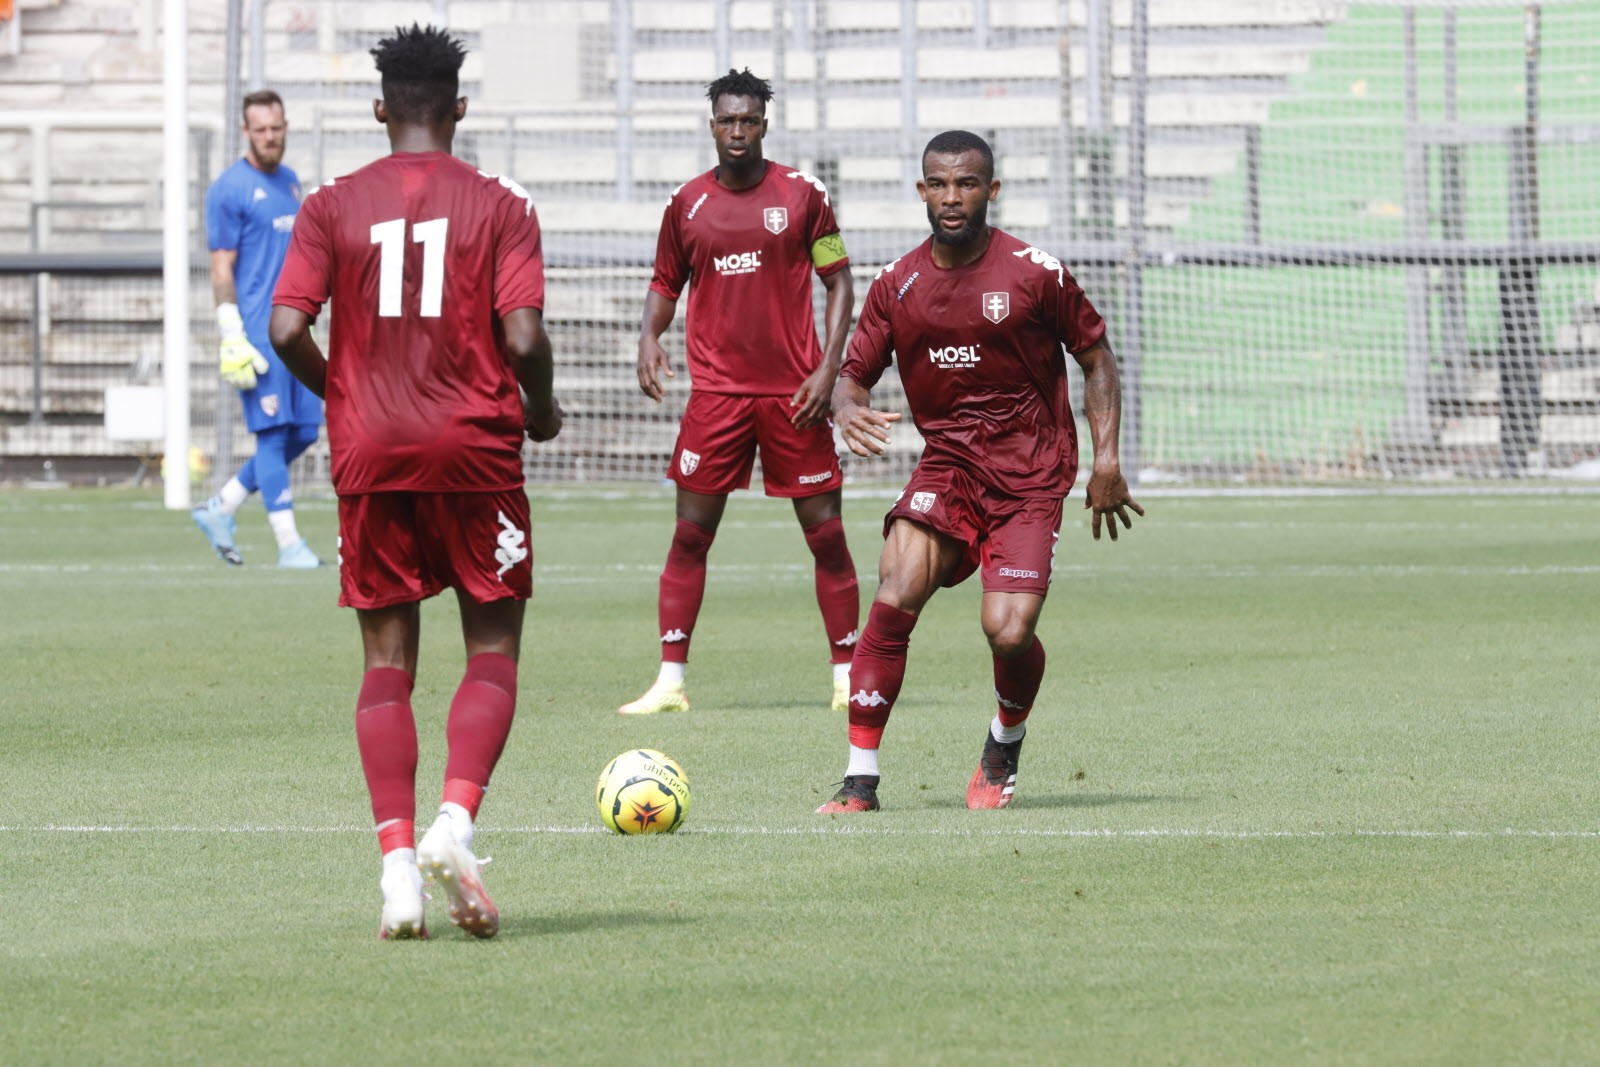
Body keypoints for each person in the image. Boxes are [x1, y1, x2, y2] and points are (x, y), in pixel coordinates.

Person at [268, 23, 563, 941]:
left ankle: (398, 867)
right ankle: (455, 822)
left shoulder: (329, 204)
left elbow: (283, 330)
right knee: (492, 649)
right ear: (461, 108)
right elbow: (521, 338)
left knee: (387, 664)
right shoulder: (502, 204)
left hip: (372, 455)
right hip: (474, 453)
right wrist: (542, 409)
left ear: (381, 107)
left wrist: (346, 391)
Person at [817, 130, 1143, 814]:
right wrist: (846, 408)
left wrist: (1107, 458)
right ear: (921, 191)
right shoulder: (897, 282)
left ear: (991, 189)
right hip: (950, 464)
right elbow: (852, 375)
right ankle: (859, 780)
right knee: (895, 588)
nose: (952, 197)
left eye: (967, 183)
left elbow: (1097, 356)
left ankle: (1004, 739)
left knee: (1008, 630)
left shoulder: (1033, 272)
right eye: (938, 183)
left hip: (1029, 471)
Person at [619, 68, 860, 717]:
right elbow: (665, 282)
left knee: (827, 535)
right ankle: (670, 681)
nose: (737, 131)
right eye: (727, 121)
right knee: (690, 536)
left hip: (794, 395)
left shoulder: (805, 195)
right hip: (717, 398)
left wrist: (828, 369)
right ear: (712, 125)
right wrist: (648, 336)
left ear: (764, 125)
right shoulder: (686, 204)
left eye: (748, 121)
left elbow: (840, 280)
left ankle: (847, 675)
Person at [192, 89, 324, 568]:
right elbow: (221, 266)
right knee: (272, 435)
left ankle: (221, 506)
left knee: (307, 429)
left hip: (296, 326)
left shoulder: (291, 183)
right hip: (257, 333)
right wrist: (231, 330)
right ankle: (289, 543)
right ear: (246, 132)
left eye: (277, 127)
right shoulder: (229, 189)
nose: (270, 137)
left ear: (286, 127)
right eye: (261, 129)